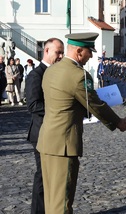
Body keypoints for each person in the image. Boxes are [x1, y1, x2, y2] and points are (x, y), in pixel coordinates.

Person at [36, 32, 126, 213]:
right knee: (61, 203)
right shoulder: (78, 75)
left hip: (47, 141)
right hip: (63, 145)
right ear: (79, 51)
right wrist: (118, 122)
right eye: (89, 51)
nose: (91, 56)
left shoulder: (51, 70)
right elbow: (95, 105)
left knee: (50, 199)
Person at [26, 38, 64, 214]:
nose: (61, 56)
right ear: (46, 51)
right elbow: (33, 105)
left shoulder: (58, 73)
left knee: (53, 177)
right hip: (41, 132)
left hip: (55, 133)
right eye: (58, 52)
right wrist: (59, 107)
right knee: (42, 176)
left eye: (62, 52)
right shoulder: (36, 75)